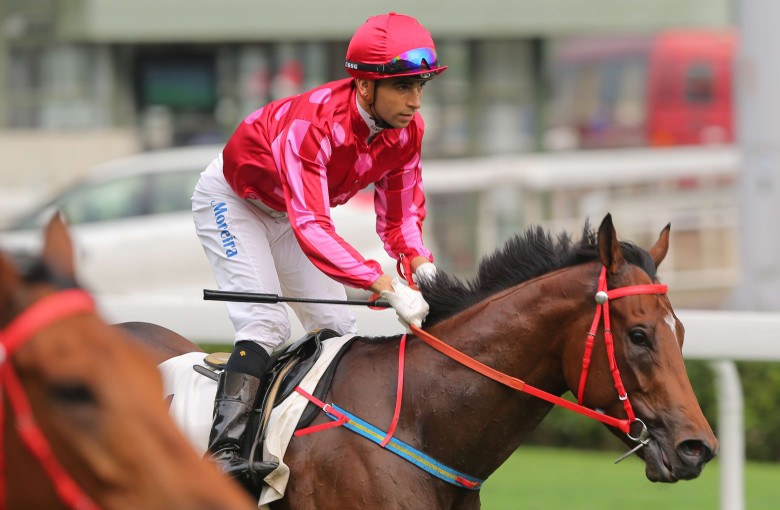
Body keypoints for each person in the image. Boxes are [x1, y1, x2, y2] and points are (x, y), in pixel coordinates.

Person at [191, 11, 446, 483]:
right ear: (366, 86)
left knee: (338, 326)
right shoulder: (313, 125)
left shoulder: (407, 132)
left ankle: (327, 444)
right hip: (234, 202)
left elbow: (401, 215)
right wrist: (384, 283)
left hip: (286, 213)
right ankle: (225, 453)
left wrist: (418, 262)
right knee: (266, 325)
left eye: (421, 86)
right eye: (404, 87)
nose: (415, 101)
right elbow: (312, 226)